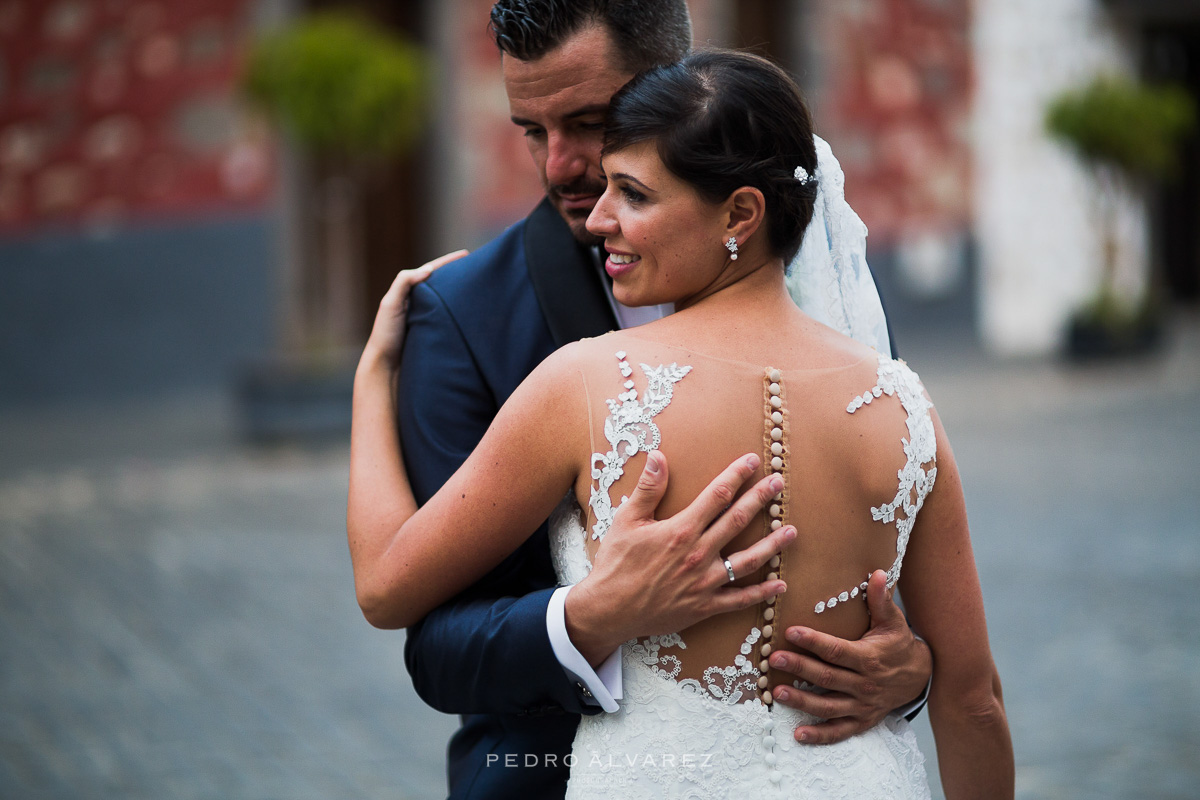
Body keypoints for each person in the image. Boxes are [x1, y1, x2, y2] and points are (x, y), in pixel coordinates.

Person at [349, 46, 1012, 799]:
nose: (599, 218)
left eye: (631, 193)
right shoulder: (904, 406)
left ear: (739, 214)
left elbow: (384, 588)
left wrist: (371, 383)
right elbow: (975, 700)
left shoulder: (587, 384)